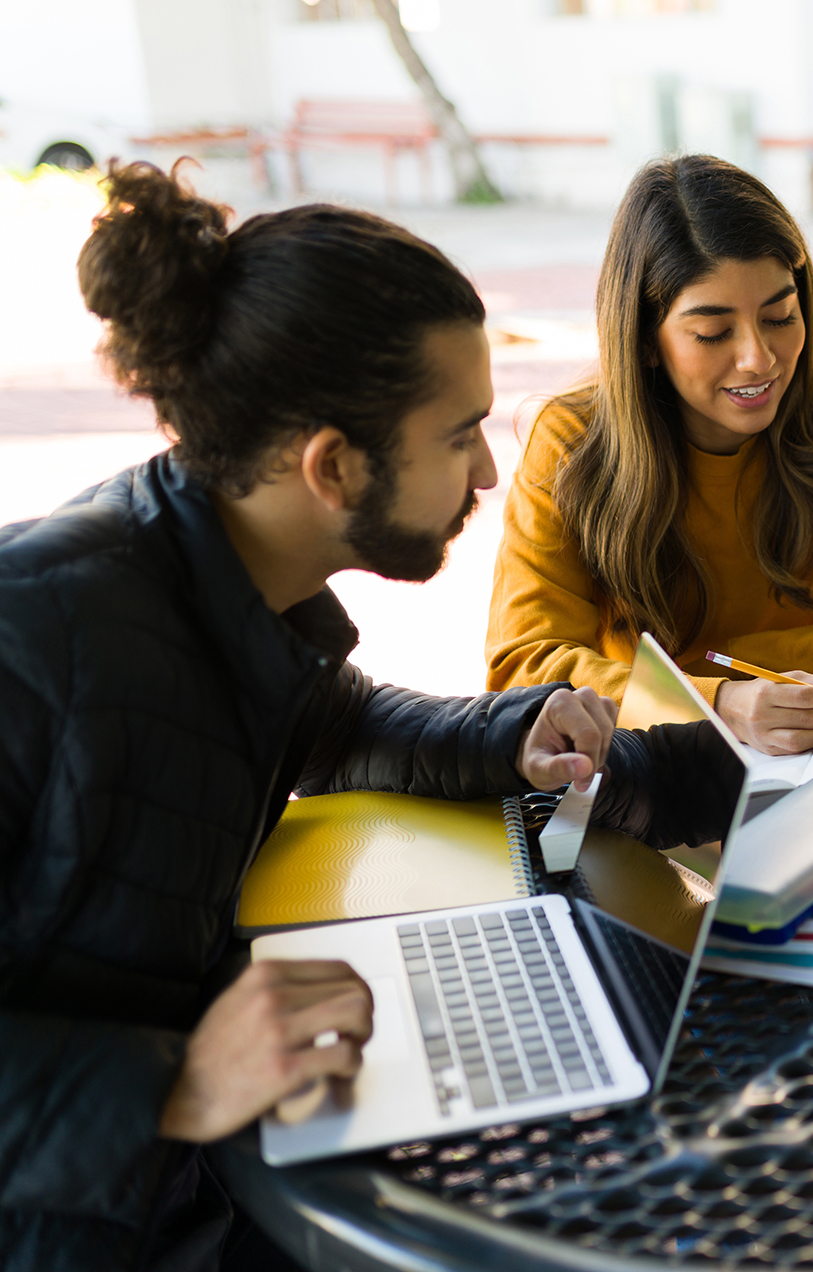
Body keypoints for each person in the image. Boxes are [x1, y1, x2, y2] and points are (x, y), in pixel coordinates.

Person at [0, 163, 692, 1272]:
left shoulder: (220, 583)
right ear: (332, 464)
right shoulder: (37, 631)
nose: (487, 468)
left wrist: (503, 732)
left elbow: (334, 726)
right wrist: (172, 1081)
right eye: (459, 432)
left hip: (173, 1188)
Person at [485, 155, 813, 756]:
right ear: (646, 339)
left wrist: (723, 668)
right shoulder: (570, 442)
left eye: (780, 316)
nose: (759, 358)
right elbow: (525, 671)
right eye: (713, 333)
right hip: (650, 768)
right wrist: (718, 701)